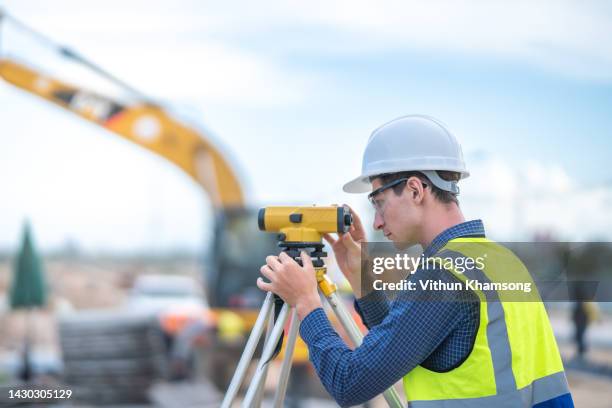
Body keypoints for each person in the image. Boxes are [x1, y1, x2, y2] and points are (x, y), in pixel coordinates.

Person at [257, 115, 574, 407]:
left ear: (415, 190)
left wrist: (307, 304)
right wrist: (361, 275)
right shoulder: (502, 261)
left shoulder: (444, 276)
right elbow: (402, 346)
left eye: (379, 203)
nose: (378, 222)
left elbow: (349, 382)